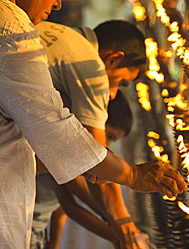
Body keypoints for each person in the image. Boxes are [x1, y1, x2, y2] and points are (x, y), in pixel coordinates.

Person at [0, 0, 186, 248]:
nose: (58, 4)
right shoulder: (9, 26)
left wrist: (88, 160)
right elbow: (53, 127)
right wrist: (132, 176)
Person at [34, 19, 159, 248]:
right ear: (114, 59)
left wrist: (120, 231)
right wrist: (127, 229)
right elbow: (94, 157)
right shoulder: (91, 67)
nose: (112, 95)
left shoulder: (64, 33)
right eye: (121, 82)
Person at [33, 90, 135, 249]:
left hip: (37, 229)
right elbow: (73, 204)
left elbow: (61, 206)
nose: (105, 144)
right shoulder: (66, 152)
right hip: (23, 222)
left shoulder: (73, 162)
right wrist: (121, 232)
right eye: (108, 136)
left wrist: (54, 243)